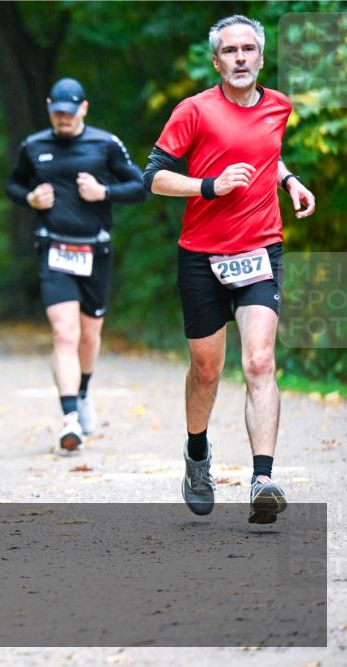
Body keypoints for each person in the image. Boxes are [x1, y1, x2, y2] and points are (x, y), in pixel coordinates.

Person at [142, 15, 316, 523]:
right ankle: (197, 454)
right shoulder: (193, 111)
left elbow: (266, 155)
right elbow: (153, 177)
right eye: (230, 51)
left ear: (261, 58)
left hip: (261, 250)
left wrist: (290, 181)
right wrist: (209, 186)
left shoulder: (279, 106)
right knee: (207, 369)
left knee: (260, 361)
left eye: (248, 50)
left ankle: (263, 478)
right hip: (202, 254)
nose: (240, 58)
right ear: (216, 61)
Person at [7, 78, 146, 453]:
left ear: (84, 108)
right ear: (49, 107)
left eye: (70, 113)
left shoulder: (105, 144)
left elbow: (140, 186)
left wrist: (105, 193)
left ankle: (82, 392)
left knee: (88, 335)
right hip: (54, 249)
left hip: (95, 251)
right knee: (64, 333)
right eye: (57, 113)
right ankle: (69, 419)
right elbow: (14, 186)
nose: (63, 120)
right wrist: (31, 198)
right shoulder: (34, 146)